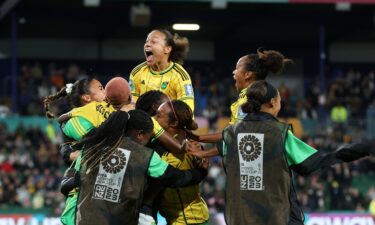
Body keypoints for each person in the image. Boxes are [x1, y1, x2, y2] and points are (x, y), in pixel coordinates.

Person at [215, 80, 372, 225]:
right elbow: (310, 164)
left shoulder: (231, 133)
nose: (280, 104)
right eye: (280, 101)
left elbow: (221, 152)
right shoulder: (278, 134)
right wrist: (354, 151)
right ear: (272, 103)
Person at [74, 110, 208, 225]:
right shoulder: (145, 155)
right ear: (140, 134)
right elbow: (176, 178)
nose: (147, 144)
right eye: (148, 139)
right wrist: (200, 172)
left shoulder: (92, 147)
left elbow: (73, 180)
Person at [188, 49, 291, 157]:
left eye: (237, 68)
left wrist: (204, 153)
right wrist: (198, 138)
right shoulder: (266, 92)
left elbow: (238, 136)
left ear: (247, 74)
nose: (234, 71)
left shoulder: (249, 99)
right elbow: (231, 133)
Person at [155, 100, 209, 225]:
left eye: (158, 115)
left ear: (173, 123)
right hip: (181, 218)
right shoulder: (181, 143)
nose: (154, 119)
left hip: (189, 219)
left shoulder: (185, 148)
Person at [129, 29, 195, 112]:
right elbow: (132, 106)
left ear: (167, 49)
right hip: (143, 124)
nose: (147, 44)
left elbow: (187, 111)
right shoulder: (137, 72)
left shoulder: (180, 76)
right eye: (147, 41)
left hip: (169, 125)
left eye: (153, 42)